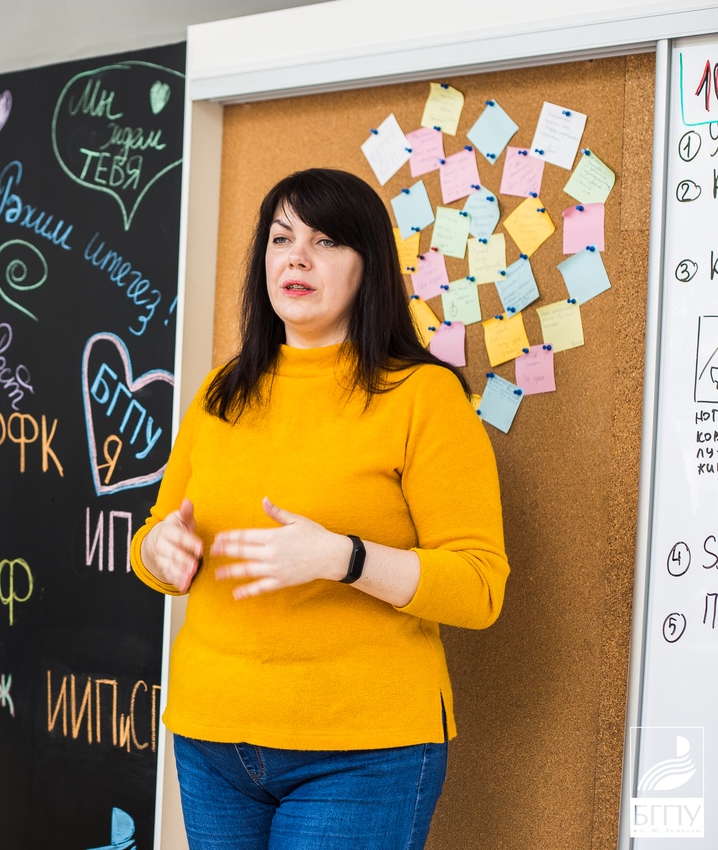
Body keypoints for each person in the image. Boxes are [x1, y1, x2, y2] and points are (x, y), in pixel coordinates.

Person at [131, 169, 509, 849]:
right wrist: (160, 550)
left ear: (369, 266)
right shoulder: (222, 391)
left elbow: (479, 587)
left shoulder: (423, 396)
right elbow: (157, 537)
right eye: (281, 239)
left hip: (362, 755)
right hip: (211, 739)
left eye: (326, 241)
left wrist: (344, 557)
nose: (297, 257)